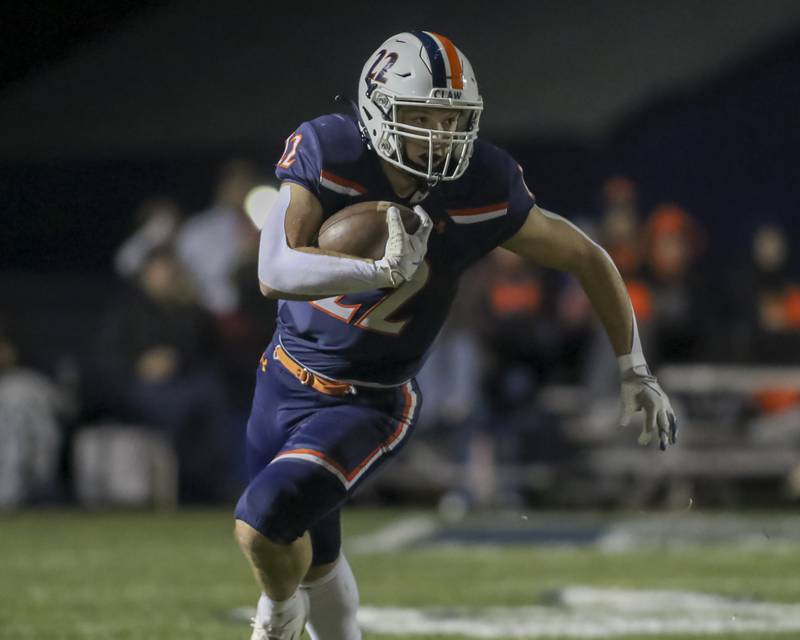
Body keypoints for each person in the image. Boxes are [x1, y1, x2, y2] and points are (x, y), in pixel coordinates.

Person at [233, 31, 678, 640]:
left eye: (453, 118)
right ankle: (295, 606)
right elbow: (274, 271)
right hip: (282, 377)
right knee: (317, 561)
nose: (442, 134)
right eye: (423, 116)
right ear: (378, 108)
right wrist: (375, 271)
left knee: (261, 525)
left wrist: (635, 367)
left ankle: (278, 617)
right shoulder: (330, 149)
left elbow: (587, 256)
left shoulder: (482, 184)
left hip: (370, 398)